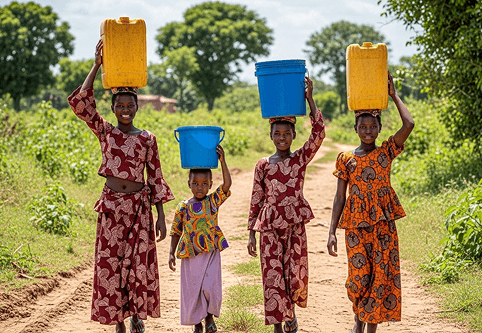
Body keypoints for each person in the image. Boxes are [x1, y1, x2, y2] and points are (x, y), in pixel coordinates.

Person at [67, 40, 175, 333]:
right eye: (120, 105)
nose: (125, 109)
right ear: (113, 108)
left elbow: (155, 176)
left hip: (139, 209)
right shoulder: (106, 132)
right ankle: (118, 320)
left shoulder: (147, 138)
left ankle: (137, 314)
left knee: (138, 266)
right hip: (112, 207)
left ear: (137, 107)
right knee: (110, 267)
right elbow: (80, 103)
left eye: (130, 105)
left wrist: (162, 216)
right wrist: (97, 65)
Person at [326, 72, 415, 333]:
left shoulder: (386, 152)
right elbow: (339, 196)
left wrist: (394, 95)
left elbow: (409, 124)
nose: (367, 131)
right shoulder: (345, 159)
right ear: (355, 129)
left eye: (372, 127)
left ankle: (370, 329)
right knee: (358, 278)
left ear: (379, 129)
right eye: (362, 127)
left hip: (383, 227)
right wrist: (331, 231)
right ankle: (358, 320)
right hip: (355, 227)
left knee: (381, 279)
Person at [247, 77, 325, 333]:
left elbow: (319, 133)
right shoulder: (263, 165)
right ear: (270, 136)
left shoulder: (299, 159)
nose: (282, 138)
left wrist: (309, 99)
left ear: (293, 135)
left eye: (287, 134)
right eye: (277, 134)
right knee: (272, 277)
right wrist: (251, 232)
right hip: (269, 226)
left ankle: (290, 313)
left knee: (294, 274)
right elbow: (256, 198)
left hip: (294, 225)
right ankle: (277, 327)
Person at [169, 145, 232, 333]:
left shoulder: (212, 202)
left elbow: (227, 186)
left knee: (211, 286)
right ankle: (197, 323)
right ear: (189, 184)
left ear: (211, 184)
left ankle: (210, 317)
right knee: (193, 290)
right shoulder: (183, 207)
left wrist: (223, 161)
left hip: (211, 252)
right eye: (195, 183)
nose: (200, 187)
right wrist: (171, 253)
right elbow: (176, 231)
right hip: (190, 255)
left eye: (205, 183)